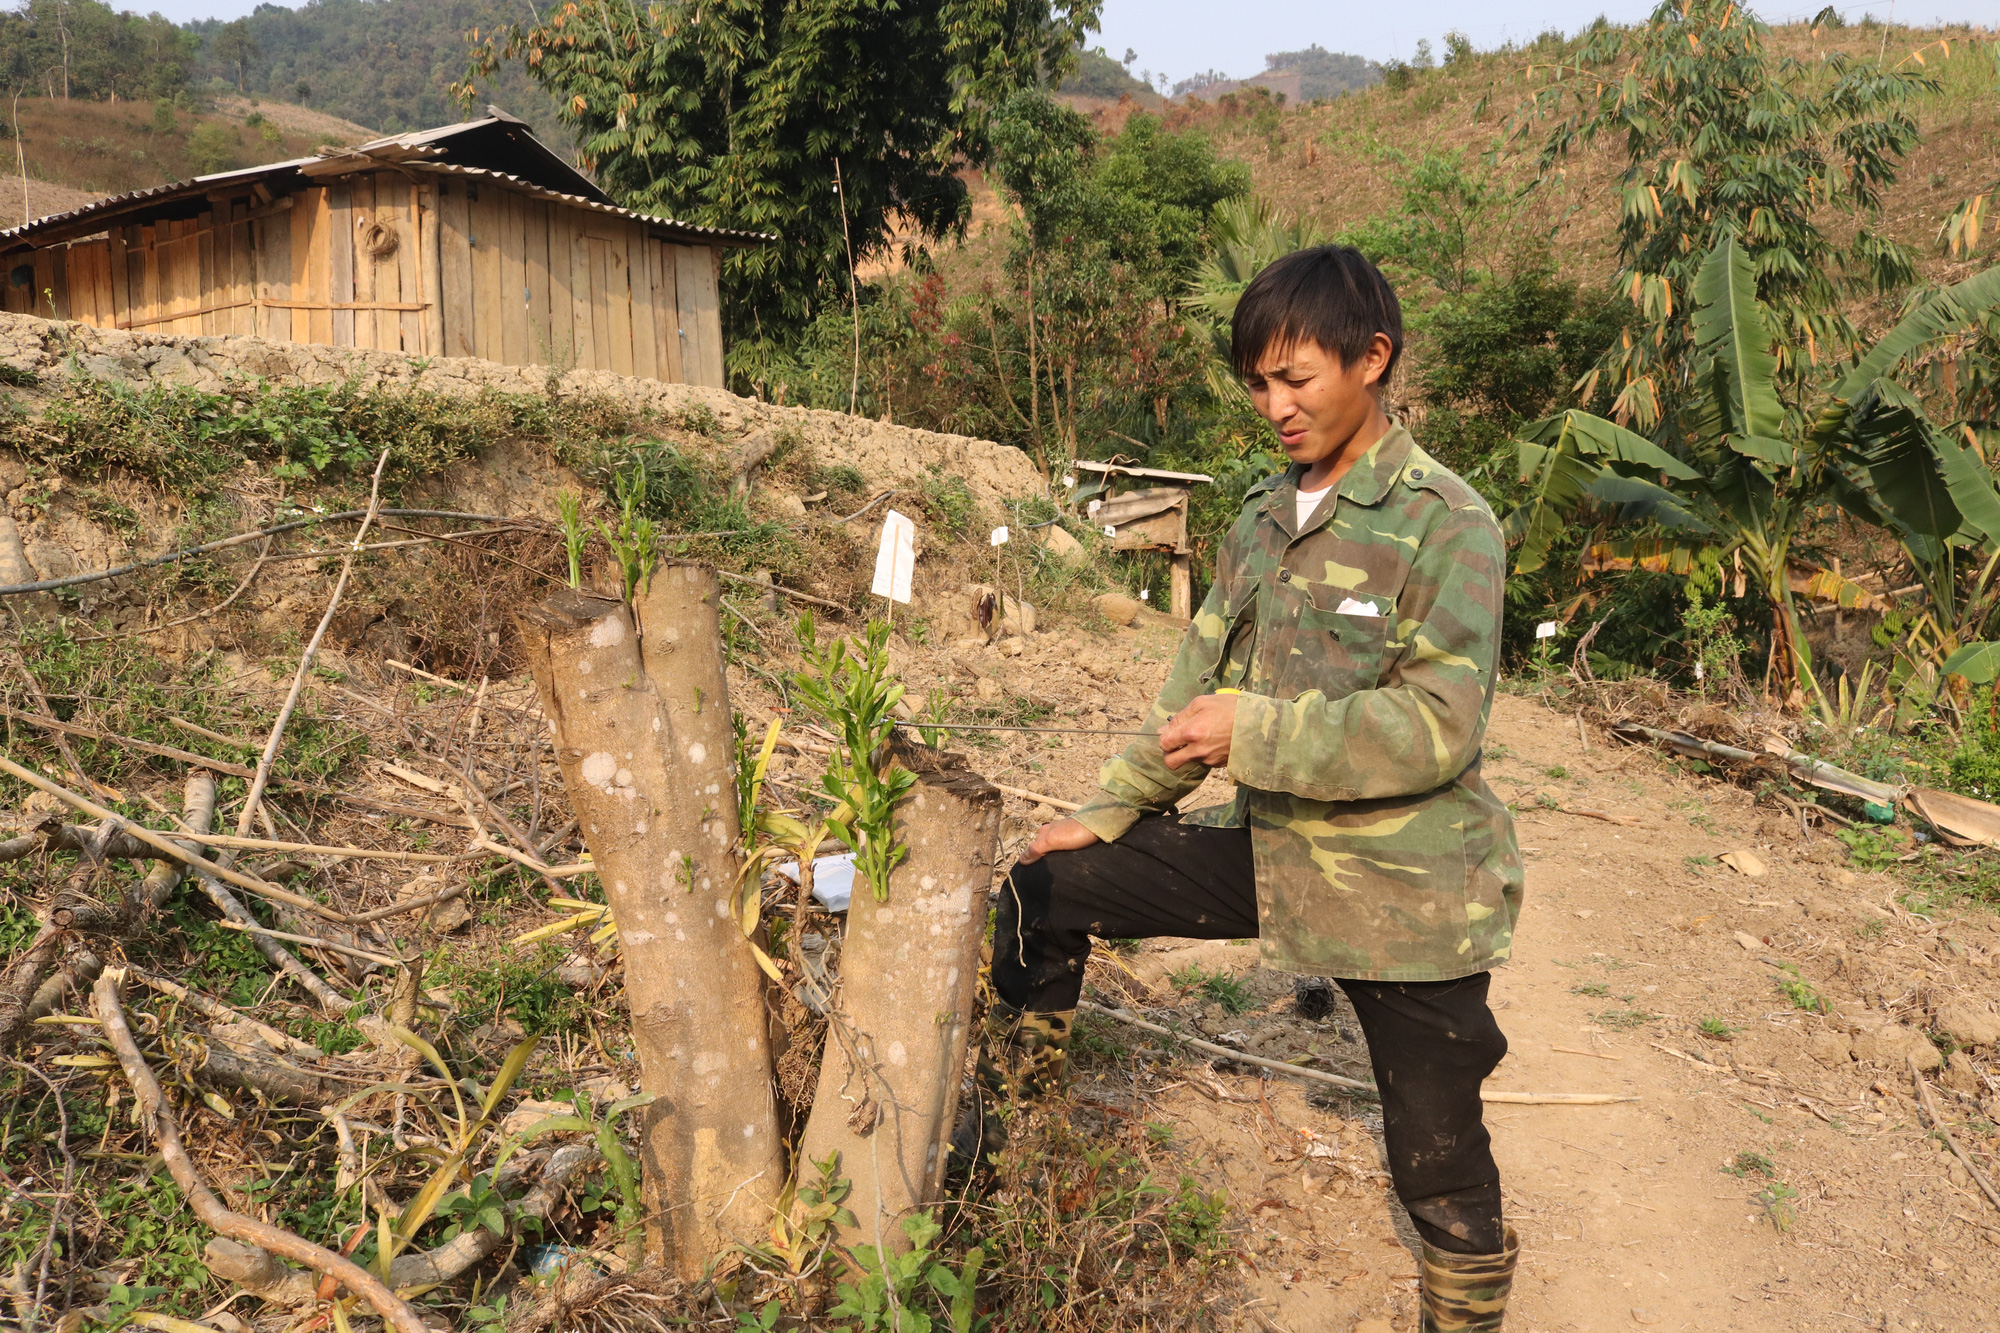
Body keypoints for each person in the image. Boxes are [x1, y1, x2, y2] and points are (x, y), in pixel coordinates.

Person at [971, 245, 1524, 1331]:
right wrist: (1107, 808)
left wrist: (1255, 728)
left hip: (1404, 890)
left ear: (1372, 359)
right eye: (1257, 383)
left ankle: (1462, 1313)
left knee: (1438, 1162)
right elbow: (1191, 697)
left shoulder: (1445, 522)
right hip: (1271, 852)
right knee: (1046, 886)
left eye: (1295, 378)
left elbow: (1436, 728)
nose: (1273, 405)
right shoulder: (1260, 521)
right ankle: (1017, 1152)